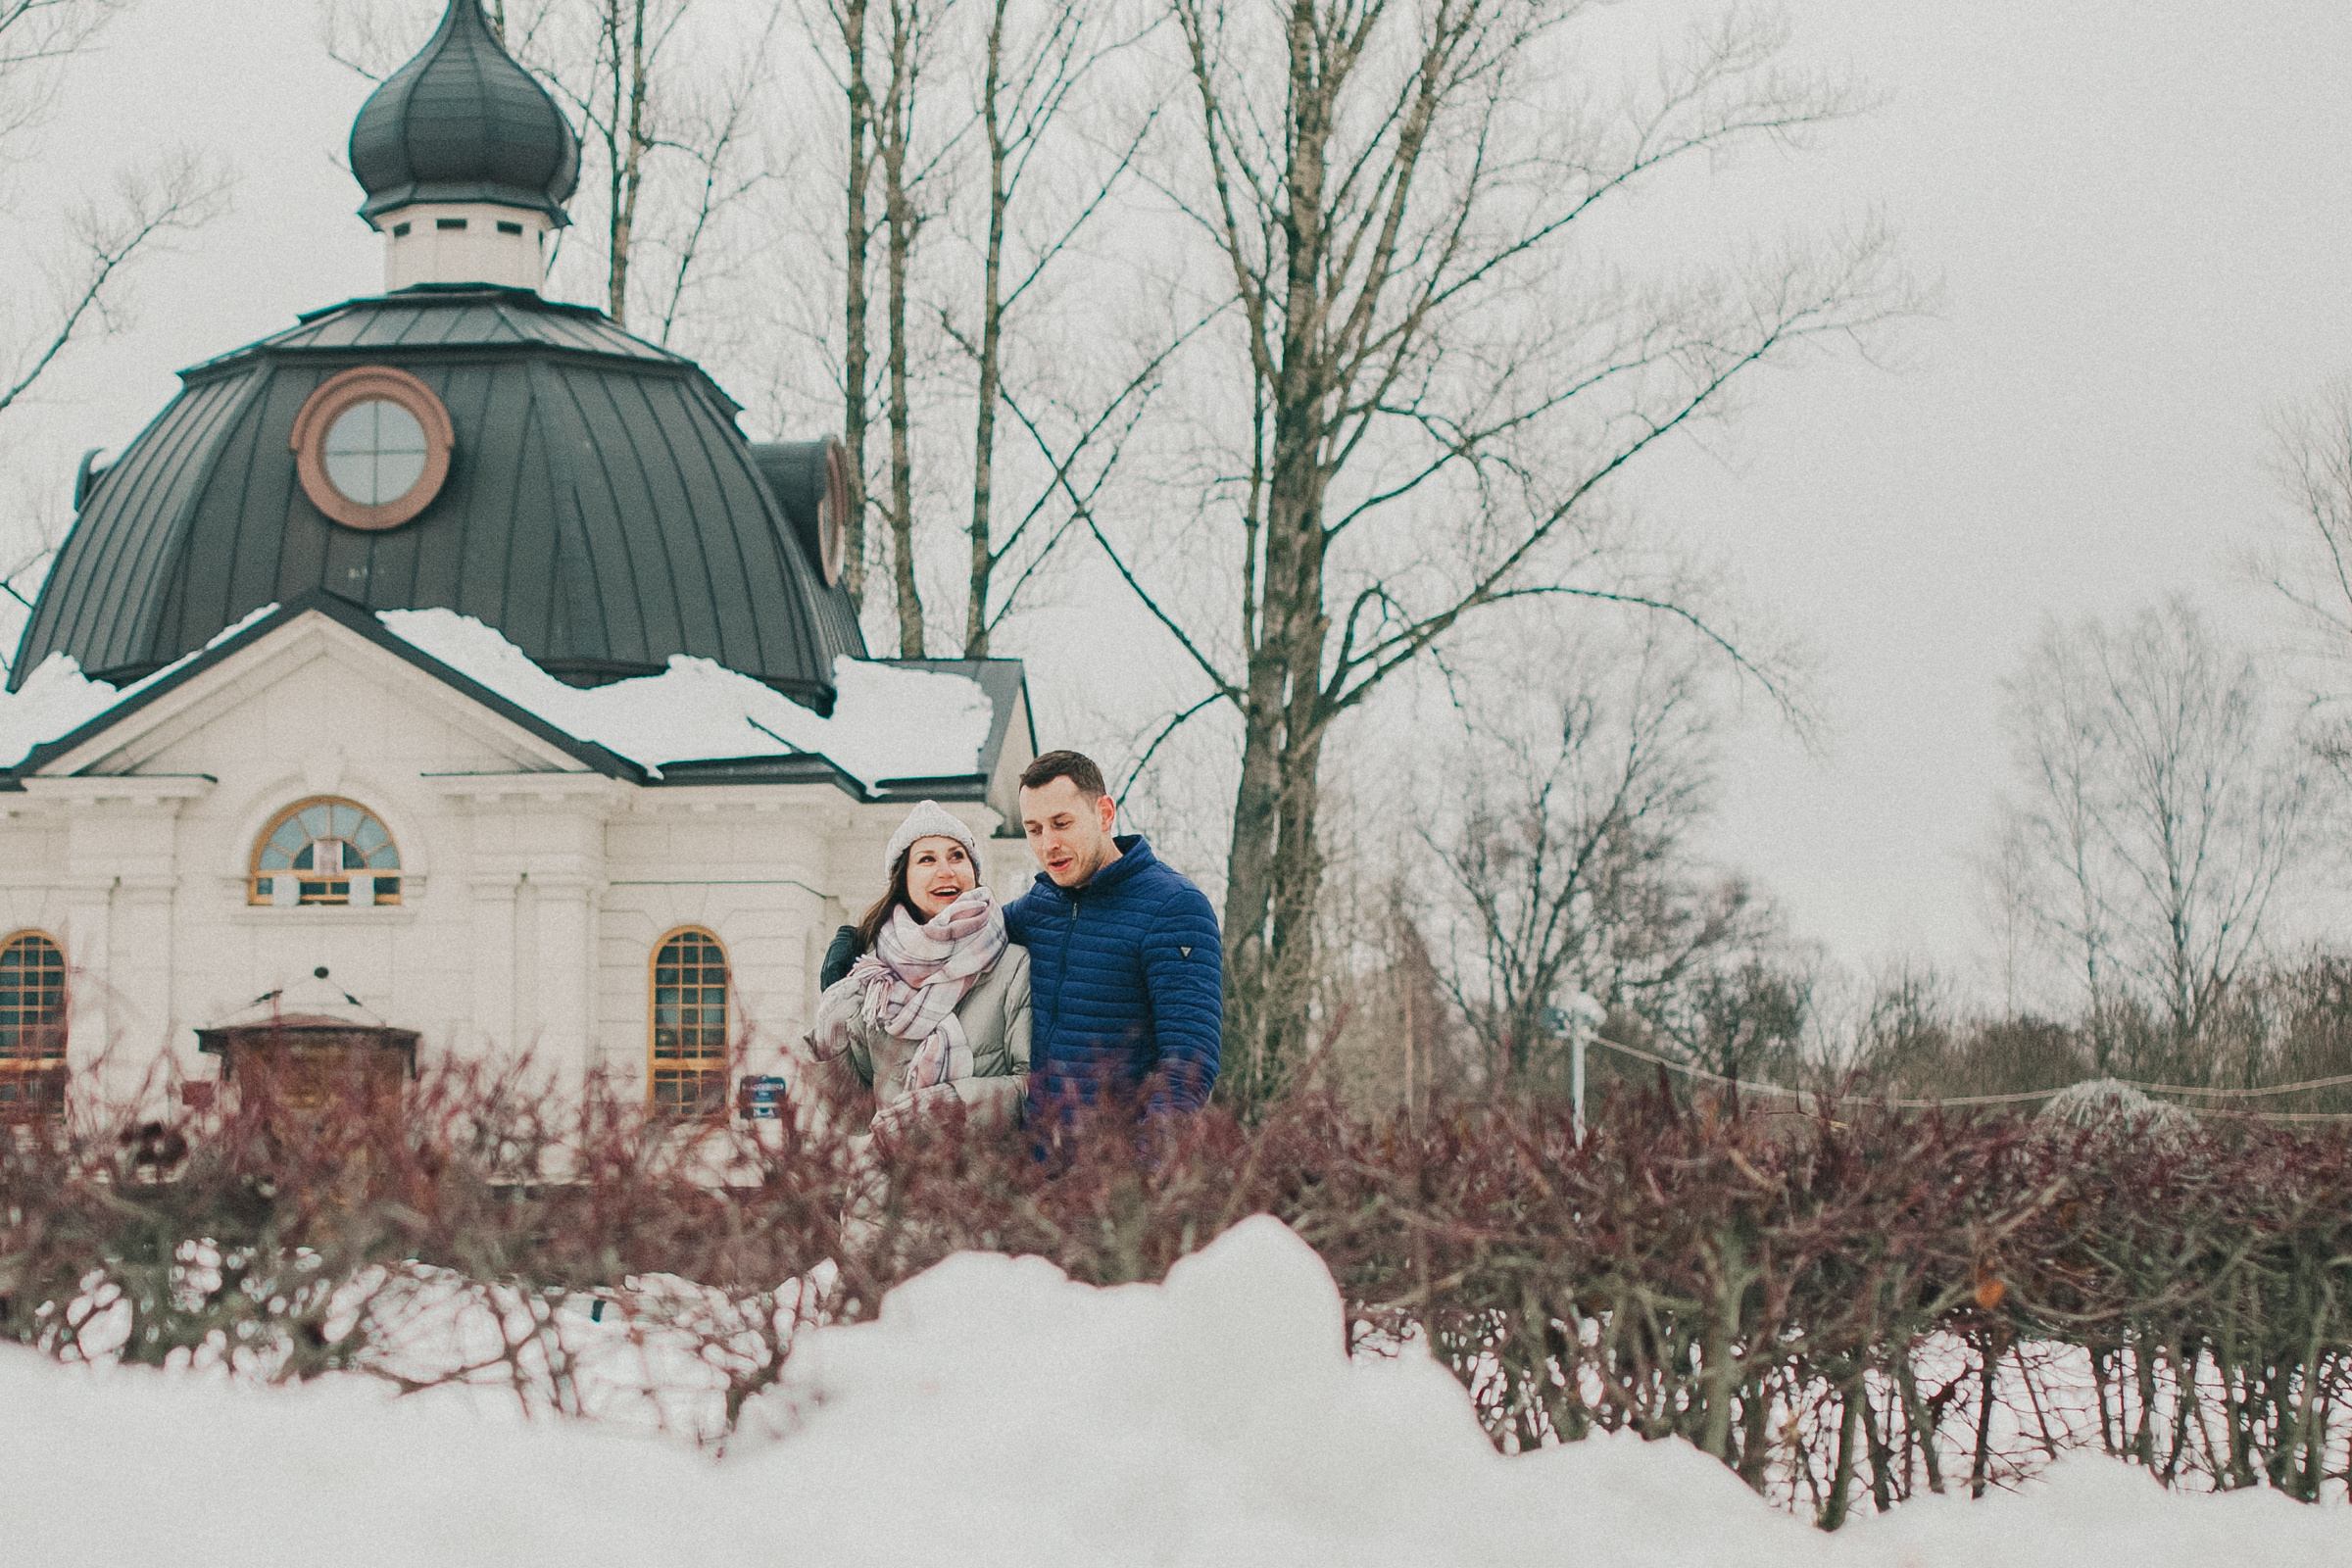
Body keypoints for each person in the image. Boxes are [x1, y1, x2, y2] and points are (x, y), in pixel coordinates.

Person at [1005, 750, 1221, 1121]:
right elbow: (960, 933)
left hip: (1116, 1152)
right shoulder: (1040, 905)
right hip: (1035, 1151)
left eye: (1061, 823)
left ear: (1105, 814)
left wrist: (1133, 1157)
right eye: (1034, 829)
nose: (1047, 844)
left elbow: (1188, 1069)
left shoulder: (1174, 906)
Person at [807, 801, 1030, 1134]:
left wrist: (949, 1106)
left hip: (989, 1167)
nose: (946, 870)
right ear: (904, 878)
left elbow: (1034, 1089)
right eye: (927, 859)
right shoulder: (876, 979)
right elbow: (850, 1119)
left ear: (974, 871)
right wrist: (832, 1017)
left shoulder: (1013, 965)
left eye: (957, 856)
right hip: (897, 1167)